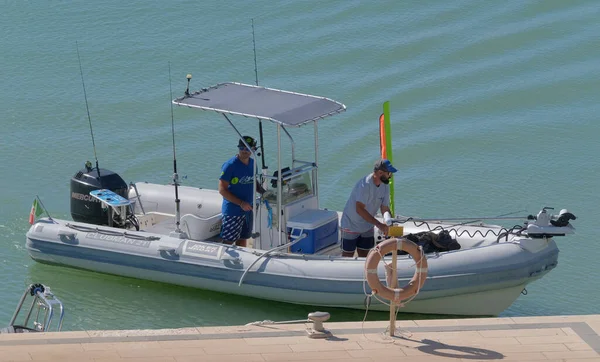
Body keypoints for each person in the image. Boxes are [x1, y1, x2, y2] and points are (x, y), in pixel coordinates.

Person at [340, 159, 397, 257]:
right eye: (389, 173)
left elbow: (384, 207)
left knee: (365, 254)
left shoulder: (385, 185)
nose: (390, 176)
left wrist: (389, 223)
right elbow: (359, 209)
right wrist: (379, 224)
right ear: (380, 173)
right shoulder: (365, 185)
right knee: (348, 255)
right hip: (351, 224)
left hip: (368, 226)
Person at [218, 135, 258, 247]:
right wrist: (241, 203)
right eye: (242, 148)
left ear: (253, 149)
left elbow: (254, 181)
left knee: (243, 238)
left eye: (248, 148)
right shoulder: (230, 166)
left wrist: (265, 192)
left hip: (248, 209)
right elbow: (222, 190)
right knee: (228, 241)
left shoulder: (253, 164)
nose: (244, 151)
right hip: (233, 211)